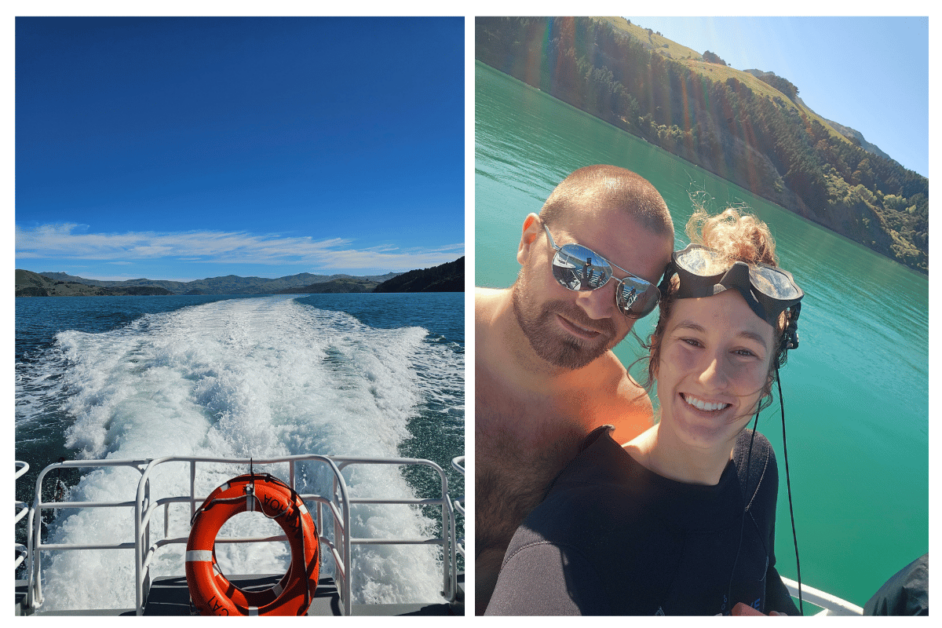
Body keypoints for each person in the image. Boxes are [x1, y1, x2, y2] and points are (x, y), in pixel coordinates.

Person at [485, 207, 804, 615]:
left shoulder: (756, 465)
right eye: (691, 341)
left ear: (768, 379)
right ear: (656, 353)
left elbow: (762, 576)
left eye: (744, 352)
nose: (711, 376)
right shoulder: (569, 537)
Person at [475, 165, 675, 613]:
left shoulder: (624, 414)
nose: (597, 307)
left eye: (634, 294)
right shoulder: (452, 345)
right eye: (581, 266)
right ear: (528, 242)